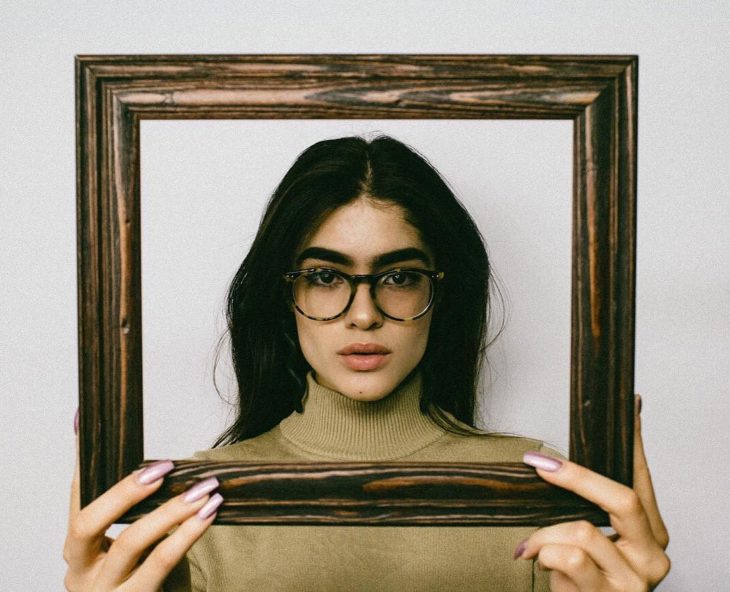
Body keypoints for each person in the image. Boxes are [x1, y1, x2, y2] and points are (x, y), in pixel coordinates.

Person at [64, 135, 670, 591]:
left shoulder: (545, 500)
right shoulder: (191, 509)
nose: (363, 315)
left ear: (443, 293)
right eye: (325, 276)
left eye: (399, 276)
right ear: (284, 295)